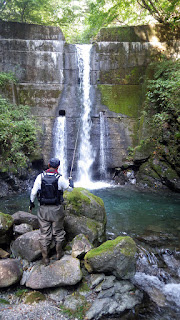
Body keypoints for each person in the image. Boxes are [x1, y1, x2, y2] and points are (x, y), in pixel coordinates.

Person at [29, 157, 73, 265]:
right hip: (57, 209)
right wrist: (71, 182)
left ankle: (45, 258)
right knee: (58, 232)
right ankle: (59, 253)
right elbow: (70, 189)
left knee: (44, 234)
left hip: (43, 209)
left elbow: (34, 192)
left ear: (48, 165)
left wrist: (31, 204)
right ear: (58, 167)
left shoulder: (40, 177)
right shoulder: (60, 178)